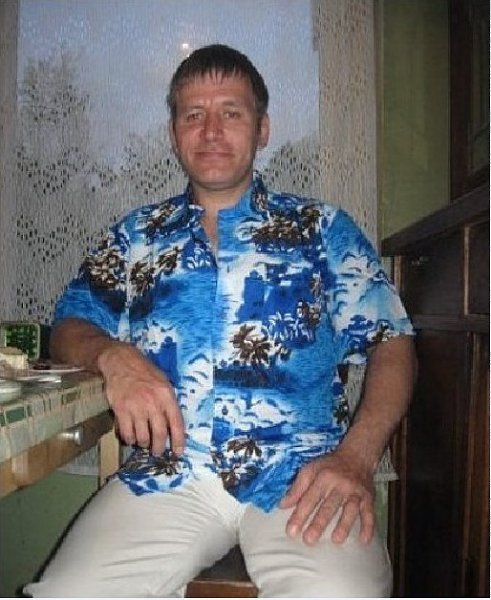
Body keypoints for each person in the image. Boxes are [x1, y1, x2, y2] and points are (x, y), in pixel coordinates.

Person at [25, 44, 416, 598]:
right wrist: (114, 356)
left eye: (231, 112)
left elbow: (392, 342)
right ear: (174, 134)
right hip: (168, 474)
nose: (210, 131)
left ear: (262, 129)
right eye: (193, 114)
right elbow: (69, 326)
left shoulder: (322, 229)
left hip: (303, 474)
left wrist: (357, 457)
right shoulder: (135, 237)